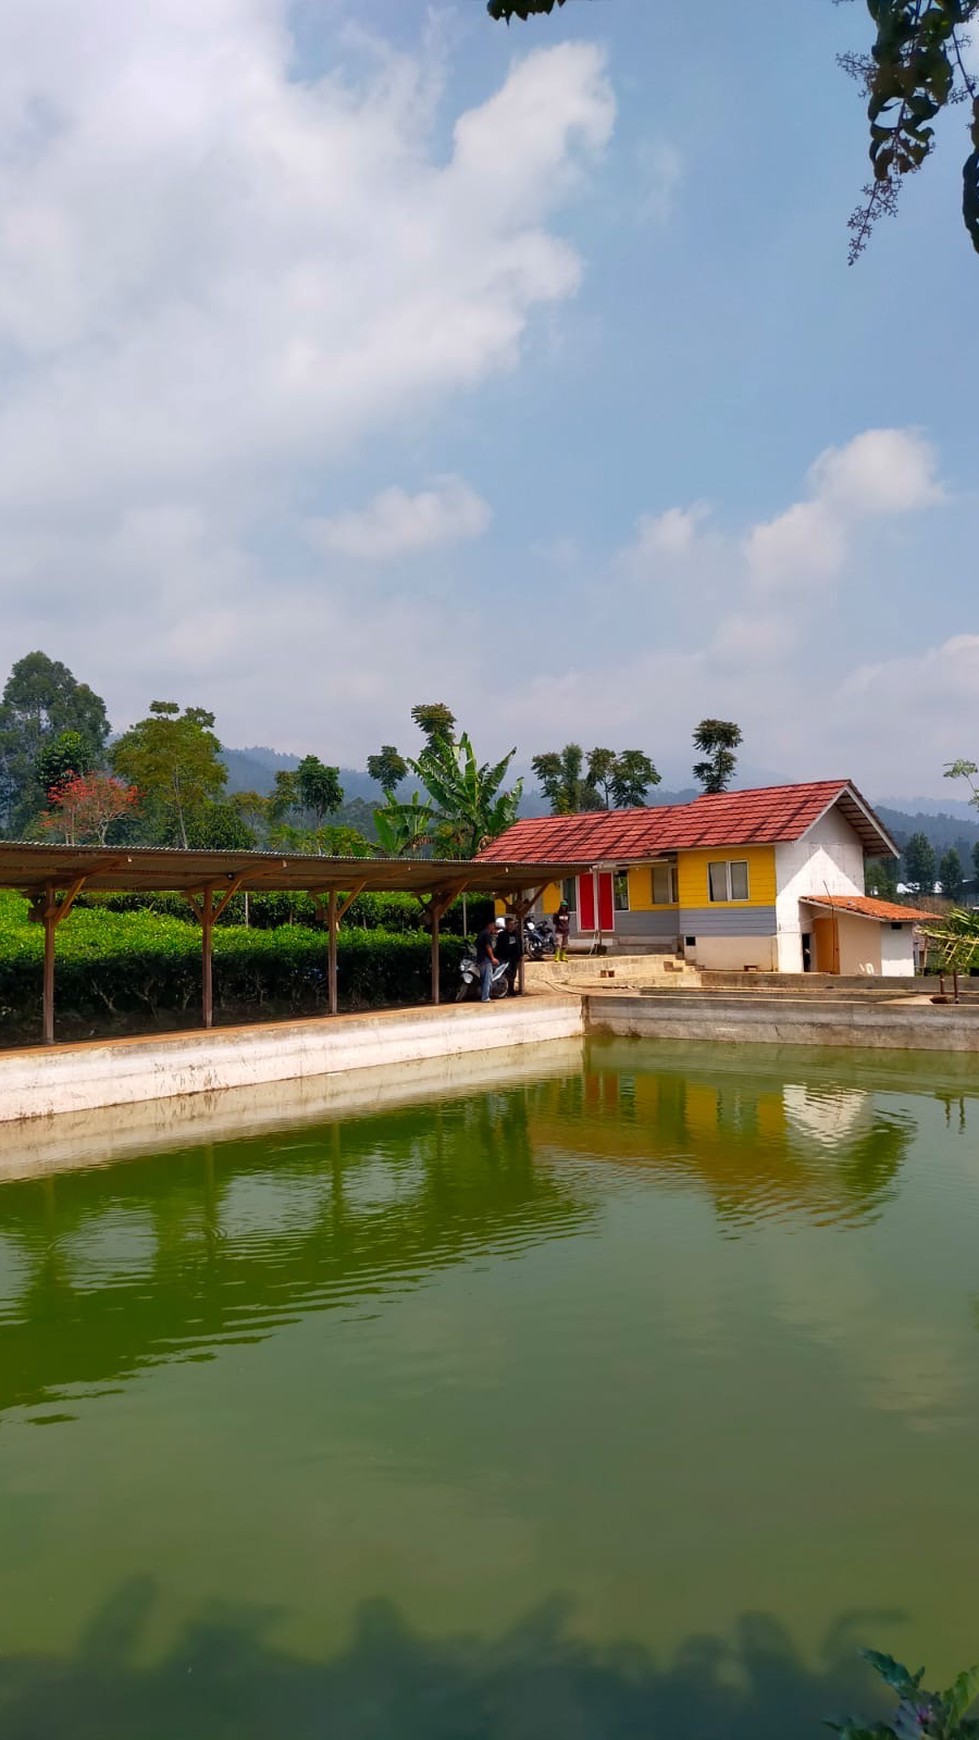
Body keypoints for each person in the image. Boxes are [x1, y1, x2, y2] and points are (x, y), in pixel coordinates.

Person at [475, 916, 501, 1002]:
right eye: (493, 924)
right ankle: (485, 997)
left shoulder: (481, 934)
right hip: (486, 960)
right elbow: (488, 947)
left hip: (479, 959)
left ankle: (484, 996)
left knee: (483, 979)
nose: (494, 926)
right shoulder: (486, 934)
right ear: (490, 924)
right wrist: (493, 958)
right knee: (487, 979)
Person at [497, 912, 522, 995]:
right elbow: (499, 947)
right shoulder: (502, 935)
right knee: (506, 974)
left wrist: (520, 955)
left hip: (514, 958)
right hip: (505, 957)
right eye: (509, 924)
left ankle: (512, 990)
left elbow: (520, 944)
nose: (511, 926)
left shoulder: (516, 934)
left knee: (513, 974)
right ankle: (505, 990)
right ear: (506, 925)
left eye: (512, 924)